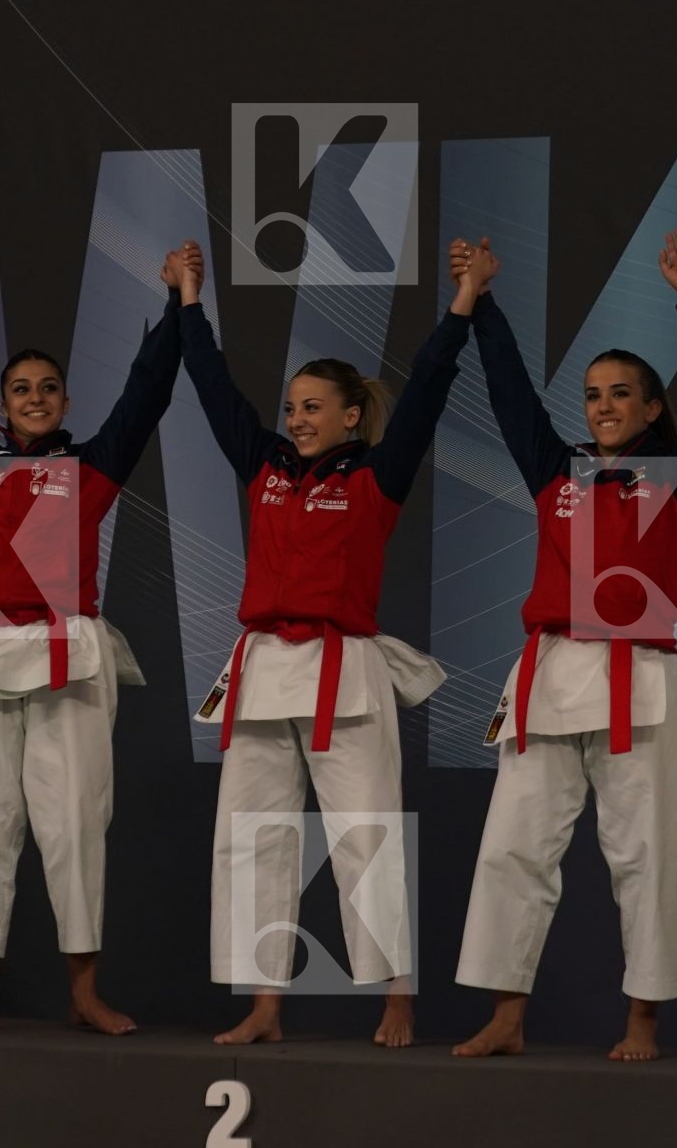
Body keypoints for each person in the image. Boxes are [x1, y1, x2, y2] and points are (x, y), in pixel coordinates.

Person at [0, 207, 192, 1034]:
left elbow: (147, 392)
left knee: (75, 820)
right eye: (22, 388)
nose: (36, 398)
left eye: (49, 387)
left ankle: (84, 991)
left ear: (64, 400)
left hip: (69, 654)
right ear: (5, 403)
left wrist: (174, 306)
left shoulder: (92, 464)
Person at [178, 241, 482, 1048]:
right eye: (292, 406)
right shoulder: (265, 468)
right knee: (255, 840)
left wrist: (461, 307)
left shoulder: (375, 479)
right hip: (262, 668)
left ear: (351, 415)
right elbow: (213, 390)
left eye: (314, 406)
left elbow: (425, 393)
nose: (297, 418)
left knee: (365, 835)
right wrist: (187, 303)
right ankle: (268, 1007)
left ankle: (396, 997)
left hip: (343, 676)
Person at [448, 230, 677, 1063]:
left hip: (638, 681)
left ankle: (641, 1021)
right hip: (548, 673)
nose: (603, 405)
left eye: (621, 394)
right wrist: (485, 304)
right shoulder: (555, 471)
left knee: (646, 858)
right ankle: (507, 1014)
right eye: (594, 394)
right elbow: (509, 396)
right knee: (512, 849)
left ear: (651, 410)